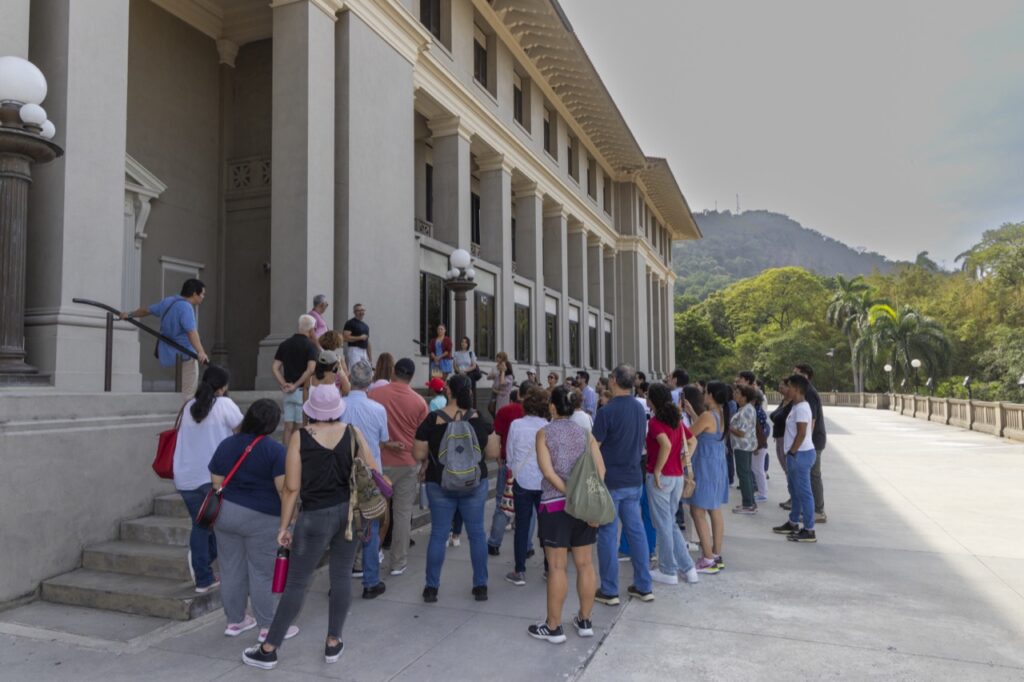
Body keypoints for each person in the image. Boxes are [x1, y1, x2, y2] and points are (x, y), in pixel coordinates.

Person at [242, 384, 377, 670]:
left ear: (311, 410)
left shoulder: (300, 438)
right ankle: (333, 641)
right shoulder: (353, 432)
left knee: (296, 584)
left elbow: (291, 488)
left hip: (314, 516)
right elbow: (373, 470)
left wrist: (285, 525)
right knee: (341, 577)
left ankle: (269, 648)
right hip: (349, 514)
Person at [209, 399, 295, 640]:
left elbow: (216, 483)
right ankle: (267, 627)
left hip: (226, 514)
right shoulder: (276, 451)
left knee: (230, 569)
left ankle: (235, 621)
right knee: (262, 572)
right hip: (263, 518)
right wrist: (289, 520)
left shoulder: (226, 445)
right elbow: (283, 490)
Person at [528, 386, 605, 644]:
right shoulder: (586, 434)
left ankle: (553, 627)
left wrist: (569, 495)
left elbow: (548, 473)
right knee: (585, 564)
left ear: (552, 407)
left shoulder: (544, 433)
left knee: (557, 567)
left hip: (554, 505)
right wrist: (585, 499)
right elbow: (600, 470)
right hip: (585, 507)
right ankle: (585, 621)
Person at [413, 375, 500, 604]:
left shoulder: (433, 419)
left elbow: (418, 453)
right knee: (477, 534)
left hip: (440, 483)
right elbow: (492, 453)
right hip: (474, 483)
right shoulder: (478, 418)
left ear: (448, 391)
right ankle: (480, 585)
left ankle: (431, 588)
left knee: (438, 534)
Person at [174, 364, 242, 592]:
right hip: (212, 478)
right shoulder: (224, 405)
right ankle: (203, 573)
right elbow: (242, 432)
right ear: (222, 387)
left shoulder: (189, 406)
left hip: (185, 477)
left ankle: (201, 561)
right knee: (211, 526)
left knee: (202, 525)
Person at [593, 364, 654, 606]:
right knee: (636, 531)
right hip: (633, 477)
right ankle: (644, 584)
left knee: (608, 534)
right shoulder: (640, 409)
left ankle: (609, 590)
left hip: (611, 480)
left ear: (615, 380)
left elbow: (594, 446)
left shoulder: (607, 411)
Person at [370, 358, 428, 577]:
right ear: (411, 377)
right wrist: (424, 464)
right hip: (407, 462)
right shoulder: (419, 402)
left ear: (393, 372)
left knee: (373, 512)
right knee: (402, 514)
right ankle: (398, 562)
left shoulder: (375, 394)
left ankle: (364, 558)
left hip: (379, 462)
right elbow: (423, 439)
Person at [342, 361, 393, 599]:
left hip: (342, 473)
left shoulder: (338, 406)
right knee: (370, 528)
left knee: (343, 530)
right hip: (369, 475)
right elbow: (383, 439)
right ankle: (371, 581)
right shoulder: (377, 409)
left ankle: (339, 581)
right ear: (369, 382)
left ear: (350, 379)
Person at [644, 383, 699, 586]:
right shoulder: (676, 420)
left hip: (661, 478)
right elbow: (693, 442)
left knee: (663, 524)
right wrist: (682, 463)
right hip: (676, 476)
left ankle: (668, 569)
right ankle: (688, 567)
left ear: (653, 400)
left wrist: (658, 469)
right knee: (670, 523)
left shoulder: (655, 422)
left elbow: (665, 444)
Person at [120, 278, 208, 401]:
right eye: (202, 294)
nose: (203, 297)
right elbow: (191, 332)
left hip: (169, 350)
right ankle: (186, 416)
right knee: (189, 393)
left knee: (184, 392)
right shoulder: (187, 307)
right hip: (186, 353)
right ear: (194, 293)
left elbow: (146, 310)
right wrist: (201, 352)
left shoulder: (168, 301)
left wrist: (129, 314)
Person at [504, 387, 550, 586]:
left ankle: (519, 570)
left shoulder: (516, 425)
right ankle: (550, 568)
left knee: (522, 526)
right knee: (547, 526)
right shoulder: (549, 425)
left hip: (522, 480)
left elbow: (510, 454)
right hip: (544, 481)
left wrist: (514, 469)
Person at [686, 381, 731, 574]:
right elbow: (706, 430)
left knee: (697, 511)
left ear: (711, 395)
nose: (703, 395)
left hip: (705, 467)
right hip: (717, 466)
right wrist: (692, 413)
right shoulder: (721, 414)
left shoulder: (706, 415)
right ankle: (715, 554)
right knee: (714, 510)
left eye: (705, 393)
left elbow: (689, 434)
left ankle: (707, 558)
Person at [772, 374, 818, 543]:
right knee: (795, 492)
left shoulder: (802, 408)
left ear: (797, 389)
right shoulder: (796, 406)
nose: (786, 389)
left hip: (800, 455)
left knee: (804, 493)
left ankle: (809, 529)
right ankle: (793, 522)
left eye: (789, 386)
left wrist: (792, 452)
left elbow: (802, 433)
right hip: (797, 454)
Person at [487, 383, 527, 555]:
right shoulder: (537, 413)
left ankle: (494, 542)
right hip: (529, 466)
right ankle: (527, 546)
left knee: (501, 503)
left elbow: (496, 436)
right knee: (527, 508)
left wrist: (498, 458)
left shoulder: (504, 411)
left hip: (508, 462)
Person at [272, 315, 318, 445]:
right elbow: (310, 369)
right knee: (299, 427)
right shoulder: (310, 346)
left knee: (288, 427)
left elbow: (275, 367)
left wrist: (285, 384)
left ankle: (285, 454)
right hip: (301, 391)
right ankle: (295, 456)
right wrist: (296, 384)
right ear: (311, 329)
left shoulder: (285, 344)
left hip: (288, 392)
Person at [793, 363, 828, 523]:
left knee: (814, 475)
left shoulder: (810, 394)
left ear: (805, 375)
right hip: (811, 440)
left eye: (797, 374)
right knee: (808, 475)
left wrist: (805, 442)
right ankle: (808, 506)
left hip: (814, 440)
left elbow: (811, 421)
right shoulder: (807, 392)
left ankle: (819, 510)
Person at [729, 384, 759, 514]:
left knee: (744, 474)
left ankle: (748, 504)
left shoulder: (746, 410)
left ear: (744, 396)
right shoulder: (744, 408)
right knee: (745, 473)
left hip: (743, 446)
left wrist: (727, 427)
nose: (735, 395)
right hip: (742, 446)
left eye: (737, 393)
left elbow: (741, 432)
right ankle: (750, 502)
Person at [770, 379, 794, 488]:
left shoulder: (793, 404)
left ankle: (793, 496)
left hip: (786, 439)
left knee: (789, 469)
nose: (780, 389)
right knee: (785, 469)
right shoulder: (784, 401)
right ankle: (792, 494)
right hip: (779, 437)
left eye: (782, 387)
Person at [342, 303, 372, 370]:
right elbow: (345, 338)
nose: (361, 312)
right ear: (354, 312)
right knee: (355, 371)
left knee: (367, 371)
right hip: (354, 350)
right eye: (358, 310)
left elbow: (367, 341)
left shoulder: (366, 326)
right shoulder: (350, 323)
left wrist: (370, 358)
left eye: (362, 310)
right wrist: (360, 338)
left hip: (364, 351)